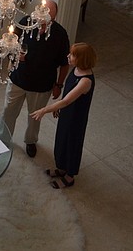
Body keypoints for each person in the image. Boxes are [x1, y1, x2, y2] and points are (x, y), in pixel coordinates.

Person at [3, 0, 70, 157]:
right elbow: (10, 43)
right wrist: (14, 55)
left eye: (48, 18)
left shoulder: (60, 34)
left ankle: (30, 141)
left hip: (42, 84)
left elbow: (64, 64)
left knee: (35, 117)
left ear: (54, 18)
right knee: (8, 112)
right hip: (18, 79)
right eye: (42, 15)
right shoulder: (26, 22)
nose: (42, 21)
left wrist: (59, 85)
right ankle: (4, 139)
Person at [30, 42, 97, 189]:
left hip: (75, 118)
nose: (68, 56)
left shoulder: (85, 80)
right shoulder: (76, 71)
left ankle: (69, 176)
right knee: (61, 140)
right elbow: (67, 94)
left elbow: (67, 100)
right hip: (67, 113)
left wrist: (44, 110)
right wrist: (58, 105)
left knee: (71, 143)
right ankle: (61, 167)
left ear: (82, 59)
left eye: (72, 55)